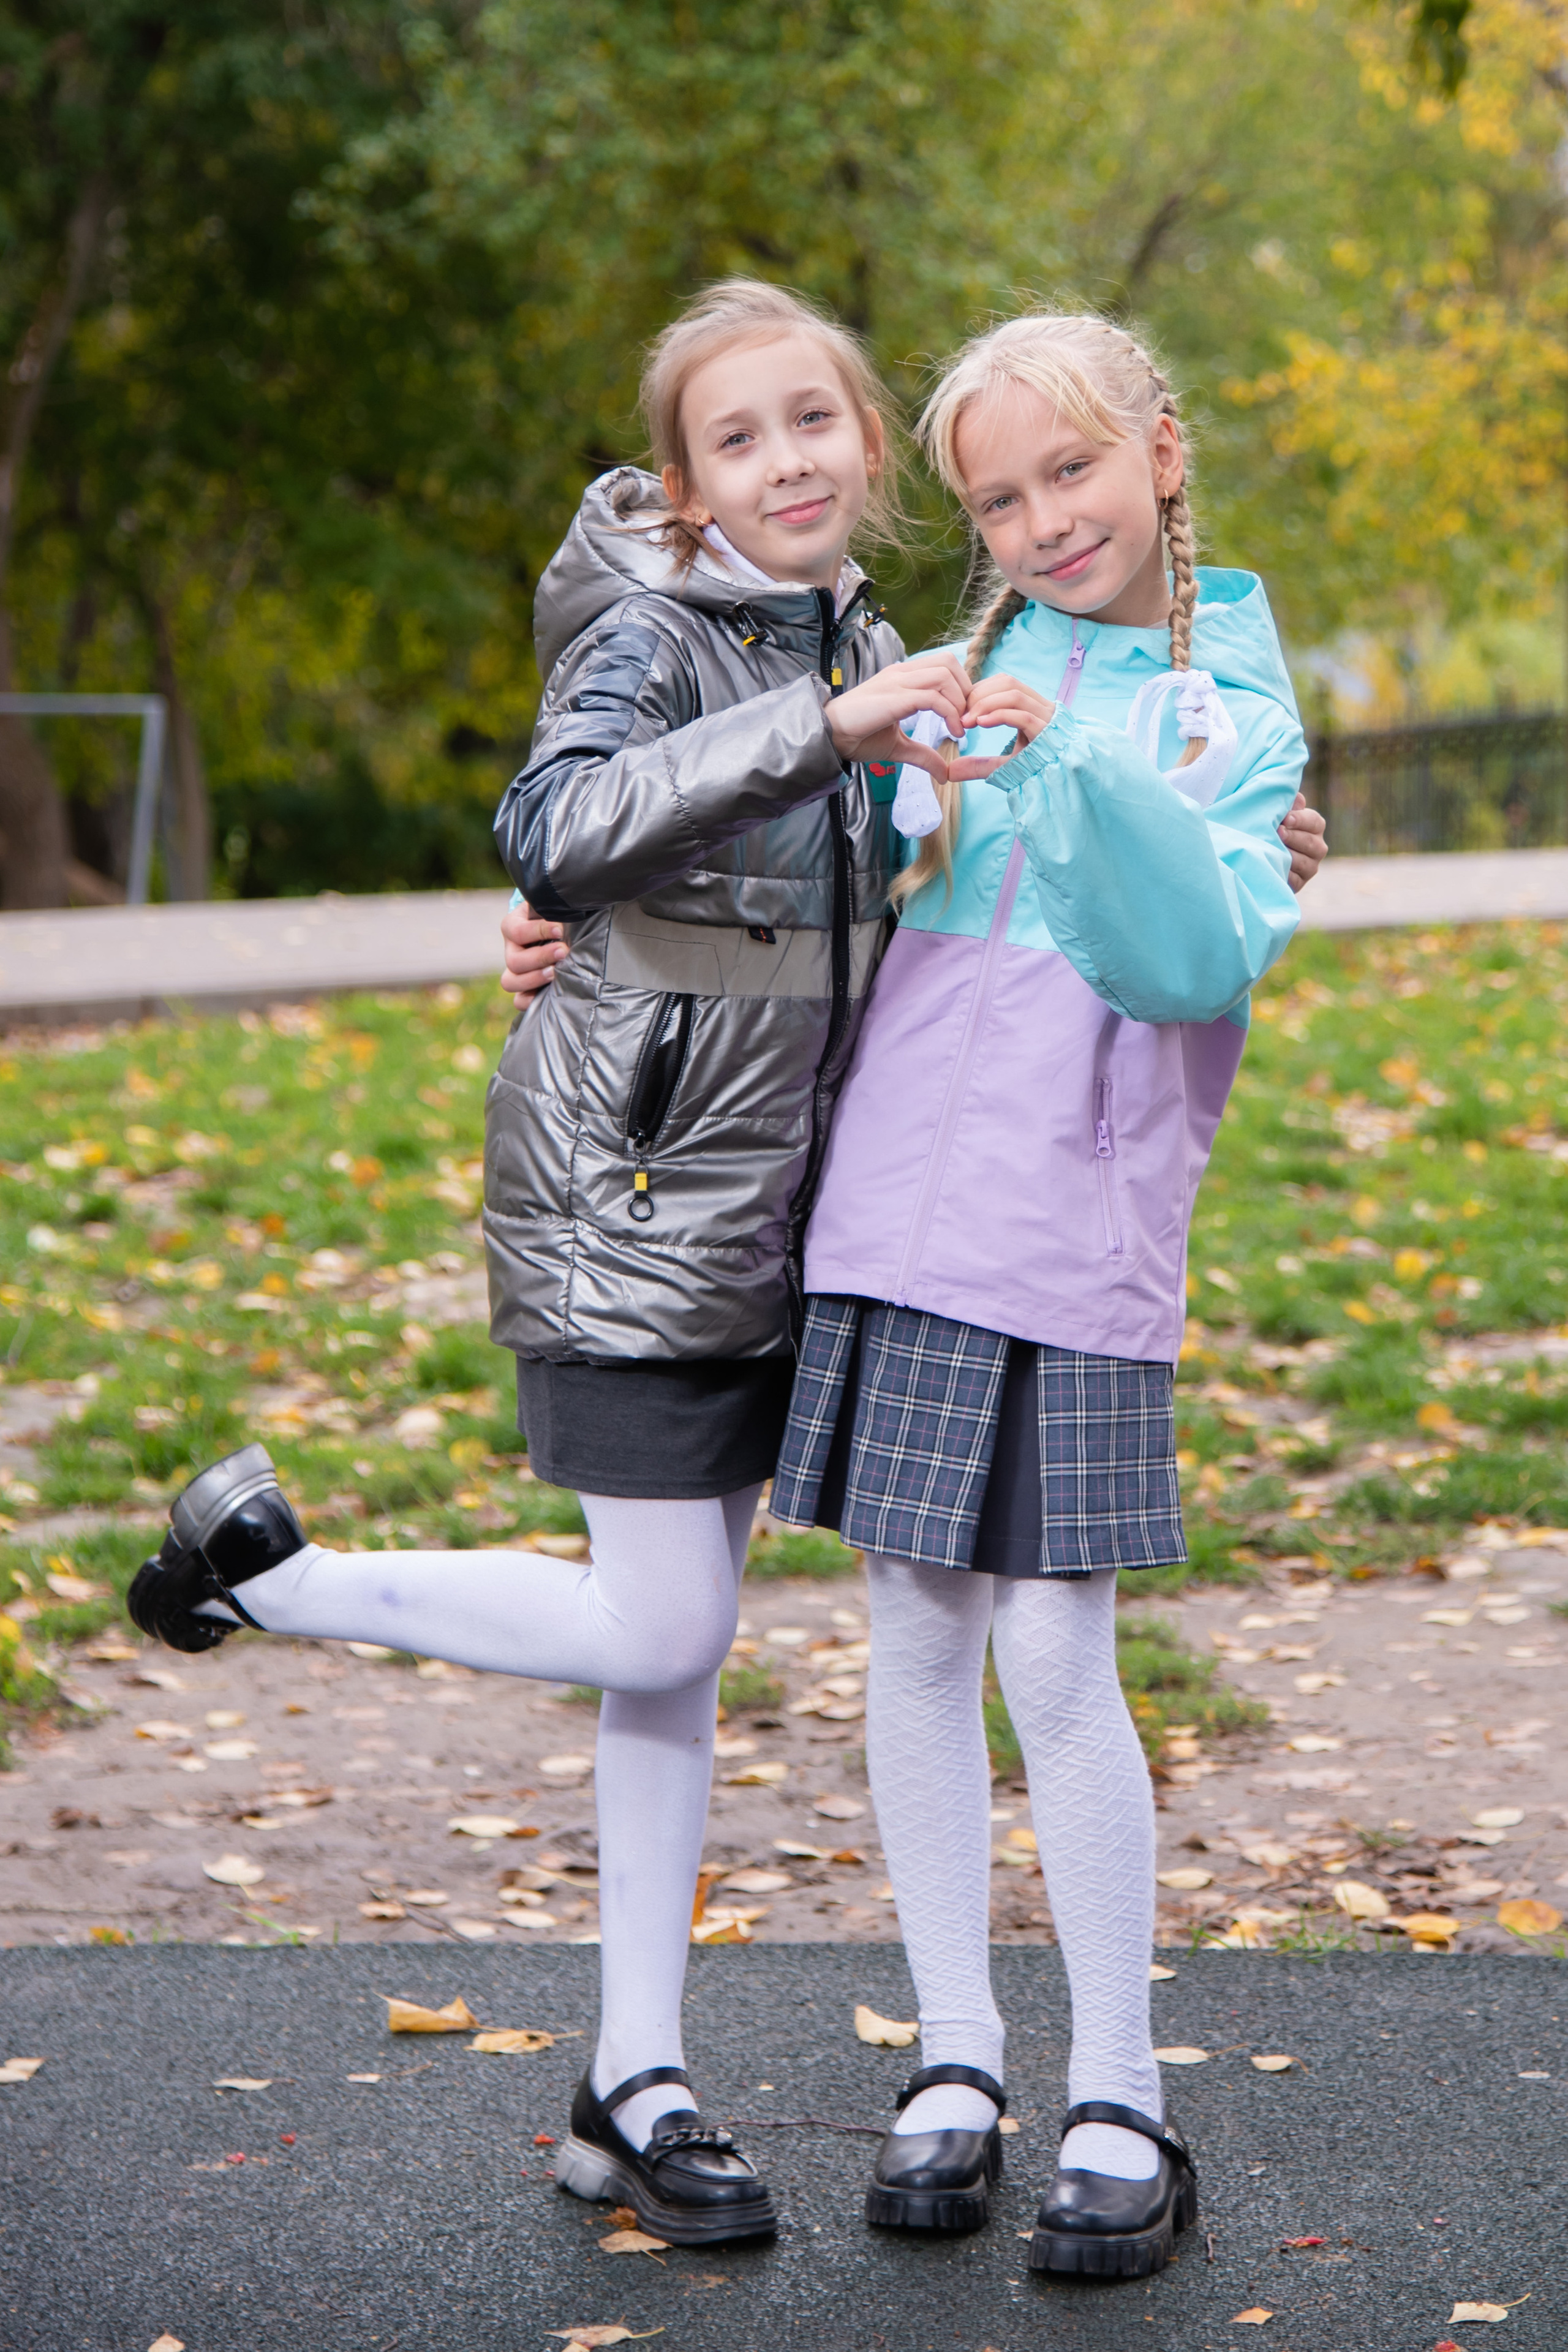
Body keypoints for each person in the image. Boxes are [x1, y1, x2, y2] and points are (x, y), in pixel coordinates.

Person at [125, 278, 989, 2250]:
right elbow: (555, 817)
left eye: (812, 422)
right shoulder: (652, 622)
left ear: (866, 439)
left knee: (668, 1653)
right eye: (738, 439)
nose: (786, 461)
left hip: (792, 1210)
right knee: (669, 1633)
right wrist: (816, 731)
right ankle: (286, 1584)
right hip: (638, 1195)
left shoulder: (848, 625)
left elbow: (843, 901)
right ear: (683, 487)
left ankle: (633, 2078)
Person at [766, 308, 1312, 2284]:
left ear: (1162, 452)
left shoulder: (1231, 720)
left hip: (1075, 1244)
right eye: (997, 498)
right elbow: (824, 899)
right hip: (891, 1232)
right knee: (915, 1636)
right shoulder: (937, 681)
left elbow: (1186, 957)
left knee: (1058, 1661)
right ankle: (959, 2058)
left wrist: (1073, 763)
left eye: (1068, 472)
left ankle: (1121, 2092)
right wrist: (569, 921)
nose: (1035, 520)